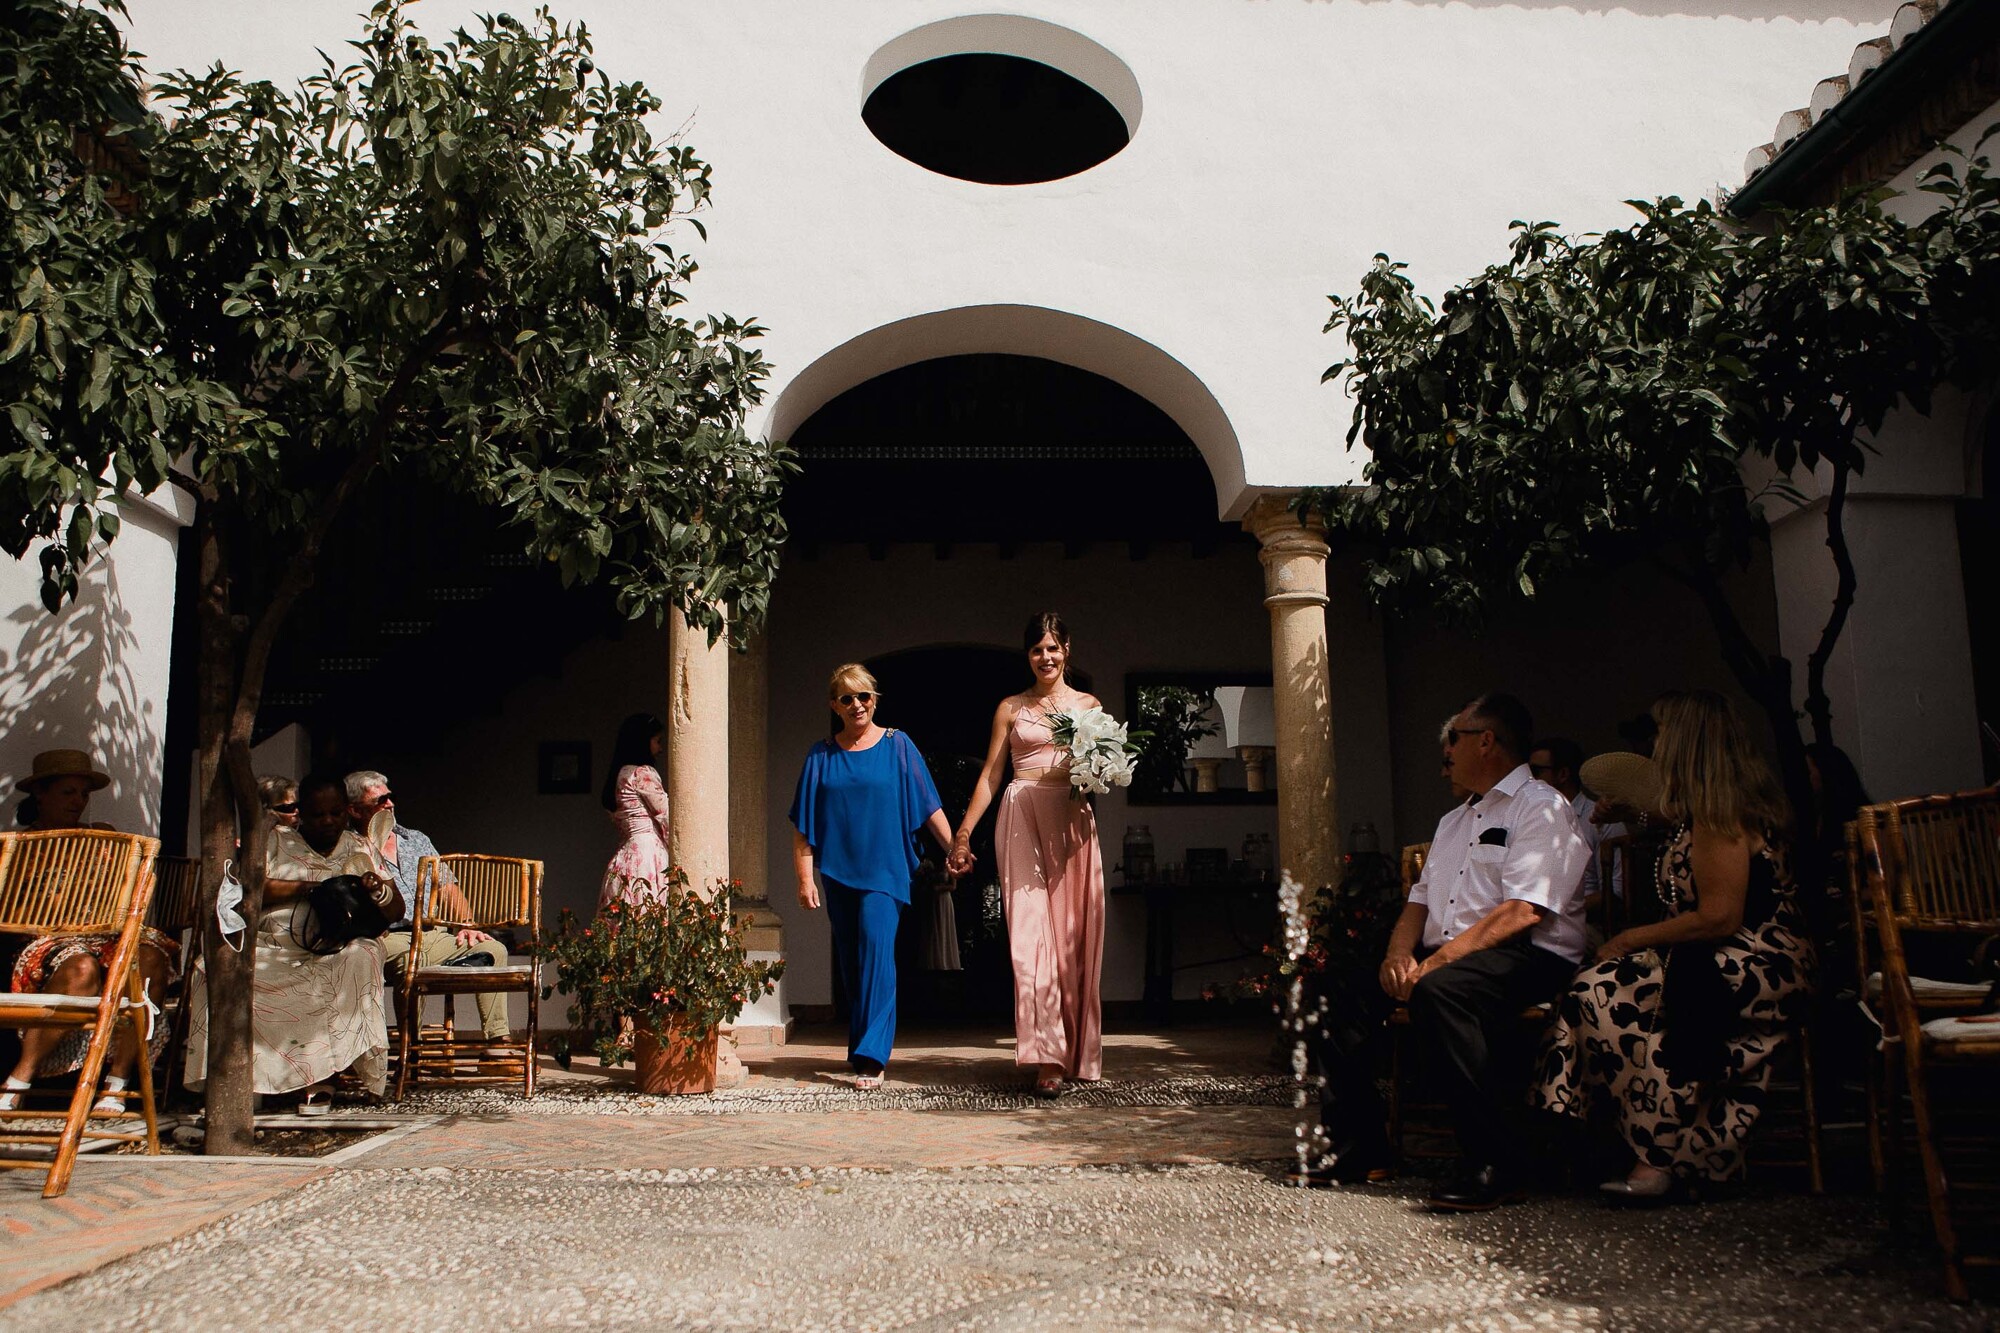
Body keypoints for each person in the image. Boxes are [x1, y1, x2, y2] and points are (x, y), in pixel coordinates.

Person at [1299, 693, 1589, 1211]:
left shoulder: (1542, 808)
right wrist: (1397, 957)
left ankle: (1494, 1162)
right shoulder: (1455, 820)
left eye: (1453, 736)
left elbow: (1525, 911)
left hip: (1530, 953)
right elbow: (1418, 901)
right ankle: (1359, 1147)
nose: (1446, 749)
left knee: (1442, 993)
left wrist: (1432, 965)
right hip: (1456, 954)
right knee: (1333, 988)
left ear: (1486, 741)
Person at [1533, 690, 1815, 1202]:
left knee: (1601, 995)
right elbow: (1676, 825)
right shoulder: (1713, 808)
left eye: (1662, 733)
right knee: (1598, 991)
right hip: (1724, 956)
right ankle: (1616, 1145)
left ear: (1686, 741)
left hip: (1754, 963)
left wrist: (1629, 938)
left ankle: (1650, 1155)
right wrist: (1639, 815)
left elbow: (1719, 917)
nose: (1655, 744)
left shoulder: (1722, 816)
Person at [950, 613, 1108, 1098]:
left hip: (1071, 821)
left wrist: (1101, 764)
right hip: (1020, 816)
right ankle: (1047, 1058)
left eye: (1054, 648)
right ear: (1028, 656)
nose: (1047, 657)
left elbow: (1100, 769)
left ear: (1068, 650)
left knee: (1072, 937)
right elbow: (990, 778)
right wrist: (962, 836)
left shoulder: (1088, 705)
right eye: (1038, 649)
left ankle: (1076, 1050)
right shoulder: (1010, 708)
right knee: (1028, 936)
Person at [790, 664, 955, 1090]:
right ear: (834, 705)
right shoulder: (820, 755)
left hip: (885, 869)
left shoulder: (898, 746)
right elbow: (803, 827)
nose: (857, 705)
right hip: (839, 872)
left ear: (875, 699)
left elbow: (928, 804)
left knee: (878, 953)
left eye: (864, 696)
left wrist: (956, 846)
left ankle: (872, 1056)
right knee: (854, 960)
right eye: (847, 698)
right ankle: (861, 1044)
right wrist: (805, 879)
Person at [184, 774, 392, 1109]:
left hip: (334, 945)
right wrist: (310, 888)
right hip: (273, 945)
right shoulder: (274, 842)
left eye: (335, 813)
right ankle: (246, 1078)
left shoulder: (359, 847)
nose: (327, 821)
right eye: (317, 814)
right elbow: (249, 887)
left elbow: (394, 908)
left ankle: (321, 1076)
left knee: (363, 953)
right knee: (210, 968)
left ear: (346, 812)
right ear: (302, 814)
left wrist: (374, 889)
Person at [2, 750, 176, 1115]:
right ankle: (19, 1077)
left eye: (83, 794)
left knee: (149, 957)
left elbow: (124, 892)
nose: (79, 801)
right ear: (41, 794)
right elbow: (12, 911)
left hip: (107, 935)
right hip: (48, 938)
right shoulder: (20, 848)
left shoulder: (104, 838)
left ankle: (115, 1084)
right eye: (68, 792)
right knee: (81, 969)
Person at [345, 772, 510, 1047]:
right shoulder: (349, 847)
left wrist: (468, 925)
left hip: (432, 933)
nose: (389, 805)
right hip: (387, 939)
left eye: (391, 797)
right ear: (355, 809)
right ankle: (414, 1049)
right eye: (380, 800)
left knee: (494, 950)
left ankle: (497, 1044)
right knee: (415, 960)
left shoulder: (415, 840)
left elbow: (446, 887)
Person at [1529, 737, 1626, 926]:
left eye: (1536, 772)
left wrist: (1559, 911)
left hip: (1584, 926)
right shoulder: (1532, 819)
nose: (1530, 780)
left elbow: (1616, 891)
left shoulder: (1603, 821)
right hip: (1535, 920)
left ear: (1563, 774)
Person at [599, 713, 671, 908]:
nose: (660, 748)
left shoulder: (619, 775)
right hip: (647, 857)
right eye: (657, 741)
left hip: (625, 858)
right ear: (643, 742)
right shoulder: (641, 773)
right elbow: (668, 816)